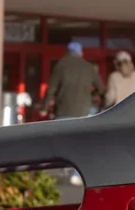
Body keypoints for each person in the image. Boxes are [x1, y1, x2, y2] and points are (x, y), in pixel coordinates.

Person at [41, 42, 105, 187]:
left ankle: (62, 169)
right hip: (83, 111)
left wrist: (44, 107)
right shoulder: (88, 67)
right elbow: (101, 89)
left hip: (63, 110)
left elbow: (51, 88)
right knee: (80, 144)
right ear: (80, 53)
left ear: (67, 52)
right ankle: (76, 173)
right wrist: (92, 98)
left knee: (61, 143)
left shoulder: (60, 65)